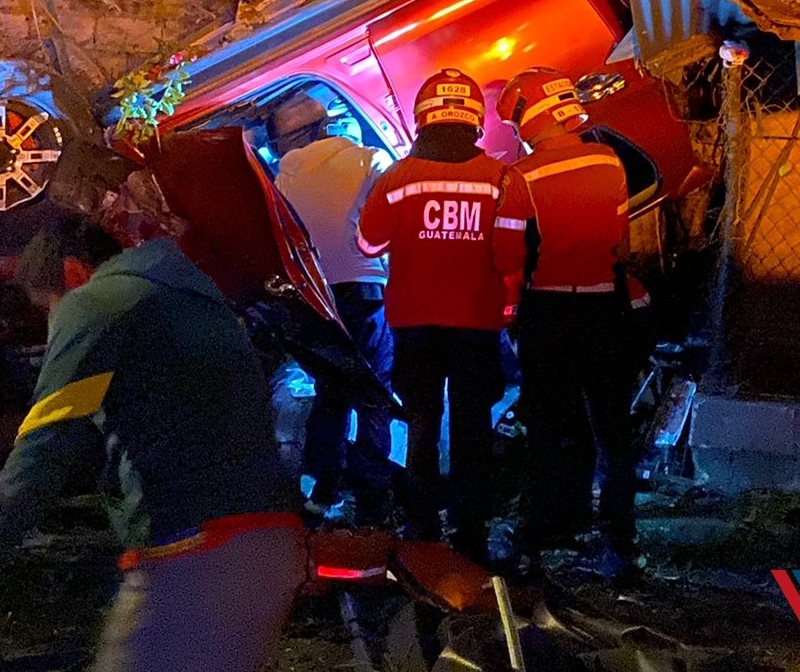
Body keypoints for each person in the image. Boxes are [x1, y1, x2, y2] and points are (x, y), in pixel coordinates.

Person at [0, 187, 305, 672]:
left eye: (47, 309)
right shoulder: (186, 295)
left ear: (74, 274)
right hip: (266, 543)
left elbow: (48, 441)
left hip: (196, 551)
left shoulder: (98, 303)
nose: (52, 323)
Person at [355, 68, 532, 564]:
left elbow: (368, 242)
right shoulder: (502, 179)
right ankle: (470, 534)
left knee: (421, 423)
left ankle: (420, 527)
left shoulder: (397, 178)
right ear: (474, 119)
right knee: (472, 425)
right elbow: (511, 257)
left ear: (422, 119)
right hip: (477, 324)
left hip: (413, 323)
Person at [497, 67, 640, 572]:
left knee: (548, 428)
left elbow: (506, 258)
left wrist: (511, 316)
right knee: (612, 428)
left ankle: (537, 537)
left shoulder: (521, 177)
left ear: (528, 117)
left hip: (549, 314)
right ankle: (620, 543)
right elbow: (621, 243)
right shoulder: (608, 159)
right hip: (605, 308)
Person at [271, 93, 399, 525]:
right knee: (374, 396)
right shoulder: (370, 160)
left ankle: (322, 493)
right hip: (365, 291)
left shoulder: (283, 177)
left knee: (331, 395)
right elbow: (389, 225)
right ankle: (374, 501)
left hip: (316, 299)